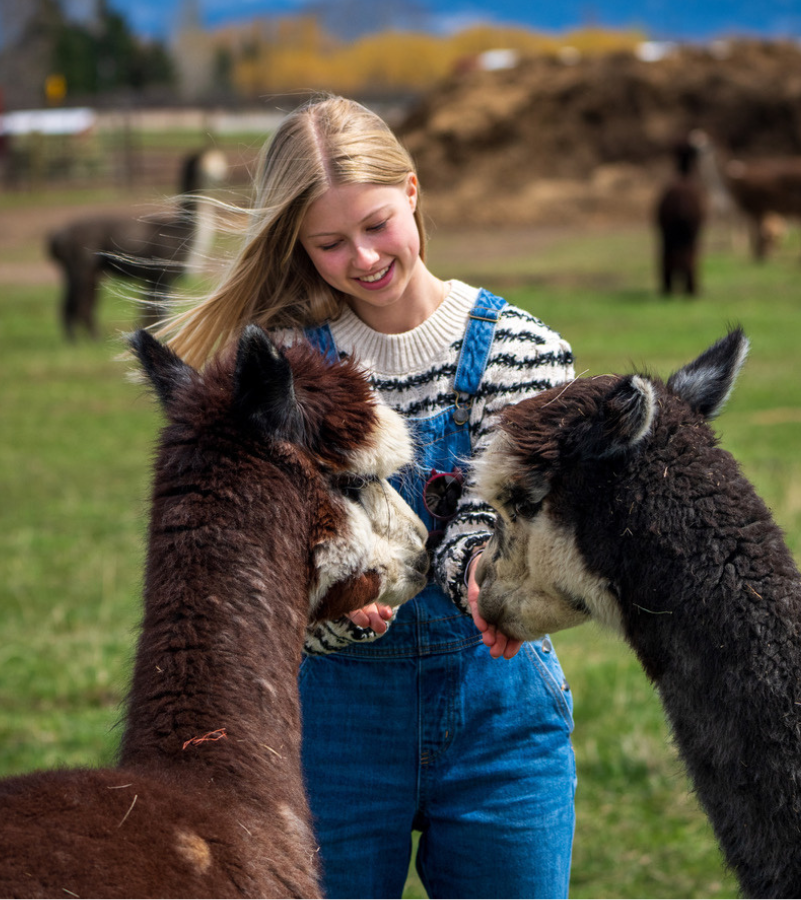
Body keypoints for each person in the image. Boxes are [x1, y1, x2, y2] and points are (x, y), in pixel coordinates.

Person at [162, 94, 577, 899]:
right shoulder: (275, 370)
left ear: (414, 193)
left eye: (378, 223)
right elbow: (255, 564)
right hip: (329, 731)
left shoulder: (525, 350)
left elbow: (508, 523)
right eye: (330, 242)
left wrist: (479, 583)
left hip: (502, 725)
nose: (362, 257)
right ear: (297, 244)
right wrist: (325, 605)